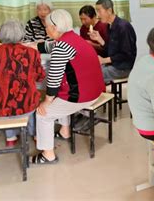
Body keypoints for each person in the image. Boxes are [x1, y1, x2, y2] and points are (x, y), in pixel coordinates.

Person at [31, 9, 105, 164]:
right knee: (58, 90)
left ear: (55, 27)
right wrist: (27, 46)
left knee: (42, 114)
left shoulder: (61, 48)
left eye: (47, 27)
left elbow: (54, 80)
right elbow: (46, 46)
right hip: (95, 89)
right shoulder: (74, 39)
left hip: (83, 96)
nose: (46, 29)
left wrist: (47, 101)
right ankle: (65, 131)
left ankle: (48, 155)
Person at [0, 20, 45, 147]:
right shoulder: (32, 53)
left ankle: (10, 137)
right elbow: (40, 76)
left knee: (4, 100)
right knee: (31, 101)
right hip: (26, 105)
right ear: (22, 34)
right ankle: (35, 134)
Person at [89, 0, 137, 83]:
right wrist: (100, 40)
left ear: (109, 11)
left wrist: (104, 60)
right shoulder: (110, 25)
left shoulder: (123, 27)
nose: (98, 15)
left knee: (93, 75)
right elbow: (112, 51)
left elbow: (126, 54)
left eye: (99, 11)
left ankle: (99, 96)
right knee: (90, 69)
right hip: (113, 64)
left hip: (123, 68)